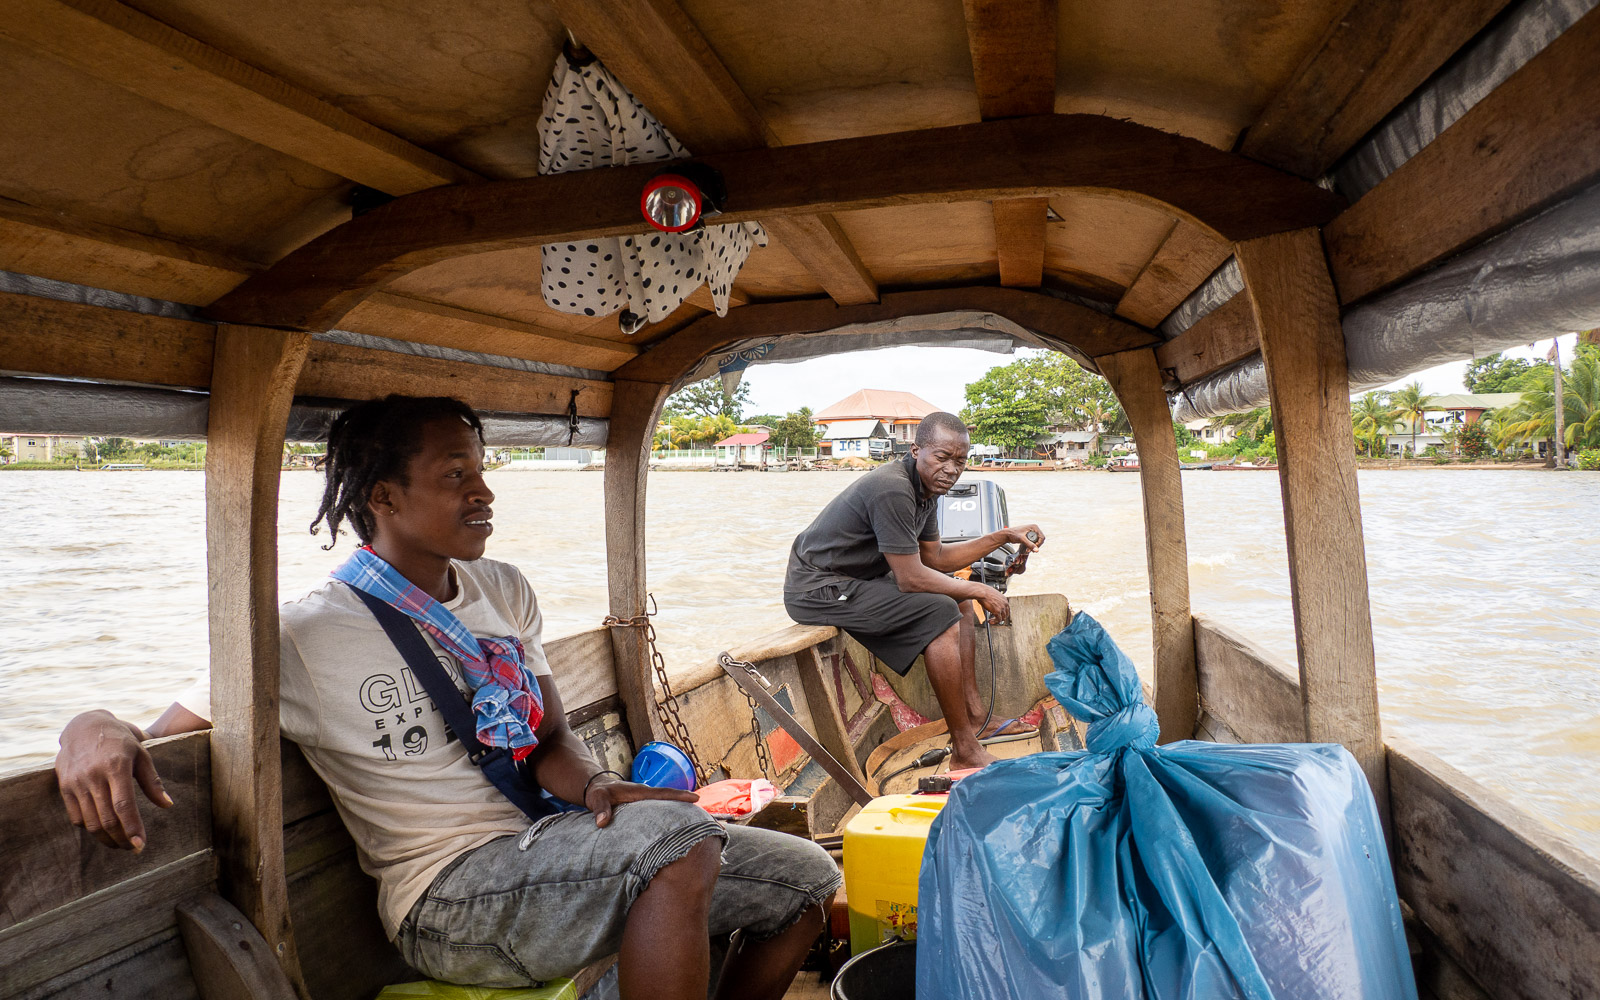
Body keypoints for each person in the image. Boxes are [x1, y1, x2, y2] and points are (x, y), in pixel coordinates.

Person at [55, 395, 839, 1000]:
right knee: (678, 840)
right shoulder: (301, 634)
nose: (483, 491)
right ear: (383, 496)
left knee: (806, 880)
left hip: (552, 845)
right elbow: (164, 732)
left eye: (481, 470)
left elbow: (549, 739)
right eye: (456, 475)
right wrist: (93, 725)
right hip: (448, 900)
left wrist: (598, 785)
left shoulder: (503, 589)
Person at [783, 412, 1045, 771]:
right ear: (916, 450)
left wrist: (1002, 536)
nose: (951, 470)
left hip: (858, 580)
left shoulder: (927, 490)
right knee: (941, 610)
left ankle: (975, 718)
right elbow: (910, 578)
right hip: (817, 588)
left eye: (960, 461)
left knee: (958, 601)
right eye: (942, 457)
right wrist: (978, 588)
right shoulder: (892, 488)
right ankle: (964, 750)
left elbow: (935, 558)